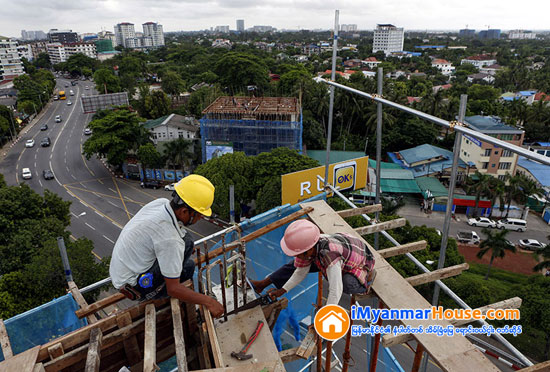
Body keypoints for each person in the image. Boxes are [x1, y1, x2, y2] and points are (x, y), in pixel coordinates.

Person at [110, 174, 224, 317]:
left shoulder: (160, 203)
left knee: (187, 242)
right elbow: (173, 289)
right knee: (188, 267)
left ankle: (169, 274)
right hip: (134, 285)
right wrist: (209, 301)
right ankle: (151, 297)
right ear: (184, 211)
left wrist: (175, 255)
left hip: (122, 270)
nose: (201, 218)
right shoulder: (170, 239)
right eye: (199, 214)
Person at [250, 220, 376, 305]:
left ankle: (367, 280)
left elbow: (335, 290)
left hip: (361, 260)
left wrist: (325, 317)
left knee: (347, 283)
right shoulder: (309, 243)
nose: (297, 256)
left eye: (299, 254)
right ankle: (262, 284)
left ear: (309, 249)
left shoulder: (329, 256)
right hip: (345, 248)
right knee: (293, 266)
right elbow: (300, 272)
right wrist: (283, 290)